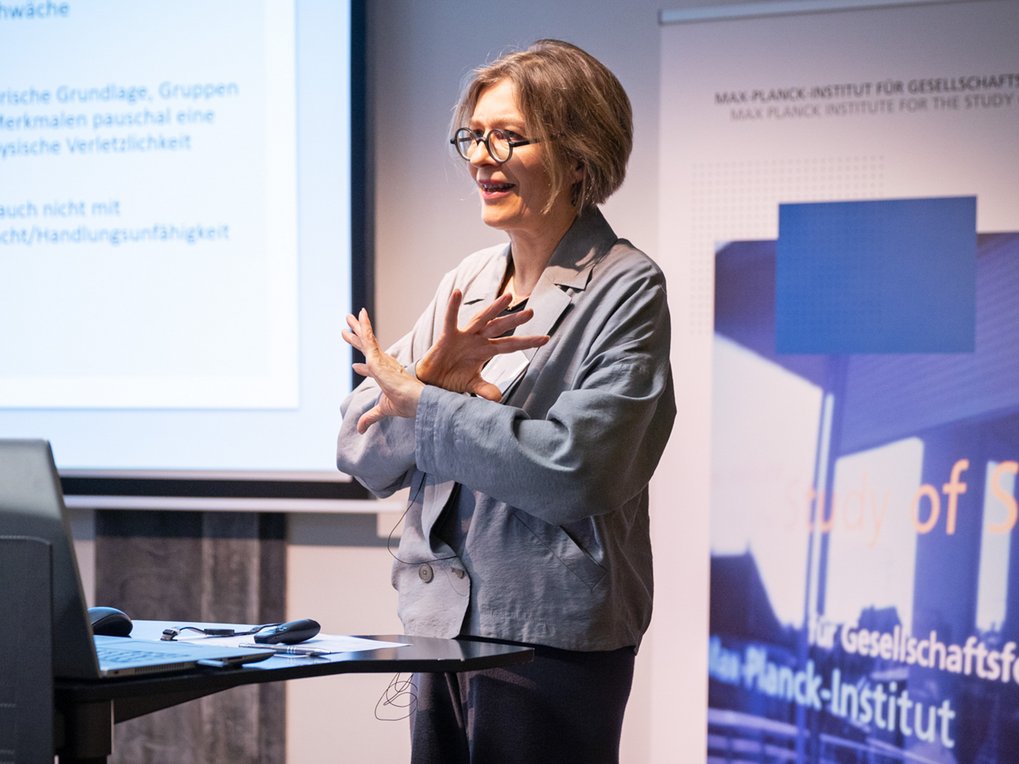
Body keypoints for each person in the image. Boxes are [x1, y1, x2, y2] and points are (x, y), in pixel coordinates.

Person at [336, 39, 675, 764]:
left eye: (507, 137)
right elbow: (359, 452)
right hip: (441, 626)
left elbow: (577, 470)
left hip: (547, 638)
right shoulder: (471, 277)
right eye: (474, 136)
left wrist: (426, 401)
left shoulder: (626, 288)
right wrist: (429, 381)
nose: (480, 157)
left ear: (579, 156)